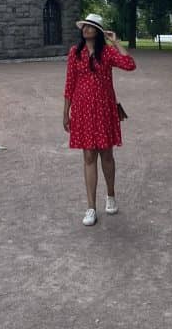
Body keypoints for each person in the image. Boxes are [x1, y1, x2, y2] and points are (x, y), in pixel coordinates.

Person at [63, 13, 137, 227]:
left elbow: (130, 64)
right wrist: (65, 112)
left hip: (104, 109)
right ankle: (90, 207)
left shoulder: (108, 54)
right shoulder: (75, 53)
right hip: (82, 110)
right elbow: (69, 84)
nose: (86, 29)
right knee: (88, 157)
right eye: (84, 26)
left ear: (98, 31)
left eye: (91, 26)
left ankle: (111, 196)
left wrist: (116, 42)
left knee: (106, 155)